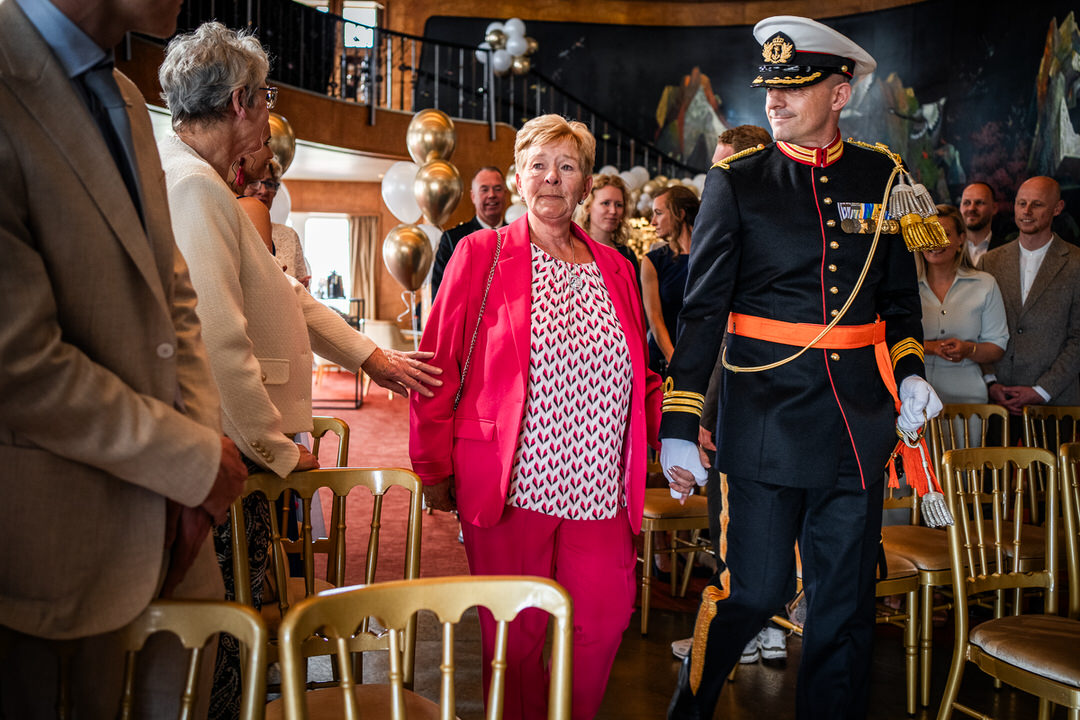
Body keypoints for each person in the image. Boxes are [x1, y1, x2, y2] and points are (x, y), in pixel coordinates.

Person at [156, 22, 441, 718]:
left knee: (248, 629)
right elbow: (219, 338)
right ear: (239, 102)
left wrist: (374, 358)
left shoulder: (209, 185)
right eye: (266, 98)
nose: (269, 117)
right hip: (232, 458)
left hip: (245, 456)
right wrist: (278, 452)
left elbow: (289, 298)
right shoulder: (194, 187)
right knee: (230, 641)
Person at [661, 17, 942, 720]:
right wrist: (679, 419)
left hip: (856, 427)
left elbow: (901, 304)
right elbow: (703, 311)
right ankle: (688, 709)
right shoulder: (737, 180)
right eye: (771, 88)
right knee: (751, 594)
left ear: (841, 93)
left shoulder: (886, 175)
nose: (775, 102)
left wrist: (909, 372)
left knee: (843, 606)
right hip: (764, 421)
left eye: (796, 88)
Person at [0, 0, 248, 716]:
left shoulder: (129, 97)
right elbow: (18, 363)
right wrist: (193, 462)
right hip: (46, 543)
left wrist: (198, 463)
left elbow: (173, 293)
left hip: (171, 529)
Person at [410, 114, 662, 720]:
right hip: (513, 484)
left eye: (567, 166)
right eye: (539, 166)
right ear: (520, 180)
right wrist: (431, 465)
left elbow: (641, 372)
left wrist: (674, 430)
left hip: (599, 486)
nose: (552, 178)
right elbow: (437, 364)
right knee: (515, 639)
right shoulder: (480, 253)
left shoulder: (617, 268)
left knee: (602, 624)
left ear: (582, 183)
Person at [980, 176, 1080, 439]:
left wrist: (1042, 390)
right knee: (991, 480)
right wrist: (990, 382)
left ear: (1057, 208)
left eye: (1036, 205)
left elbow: (1078, 338)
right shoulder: (990, 262)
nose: (1026, 211)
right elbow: (977, 329)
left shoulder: (1076, 263)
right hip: (996, 402)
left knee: (1054, 481)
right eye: (1021, 203)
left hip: (1055, 404)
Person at [918, 204, 1008, 406]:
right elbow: (890, 341)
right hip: (916, 401)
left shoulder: (985, 284)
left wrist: (968, 350)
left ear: (961, 239)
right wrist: (932, 347)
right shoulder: (904, 288)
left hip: (969, 400)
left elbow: (997, 346)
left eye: (944, 234)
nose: (934, 241)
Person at [642, 185, 700, 374]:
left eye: (658, 213)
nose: (653, 222)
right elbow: (655, 319)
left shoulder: (708, 258)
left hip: (702, 356)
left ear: (680, 213)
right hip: (663, 359)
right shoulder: (653, 261)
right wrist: (673, 358)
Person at [430, 165, 508, 298]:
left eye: (498, 189)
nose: (492, 195)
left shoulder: (518, 237)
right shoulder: (453, 239)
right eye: (484, 190)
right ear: (473, 196)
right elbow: (440, 295)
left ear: (505, 194)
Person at [245, 157, 312, 287]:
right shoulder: (230, 227)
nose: (263, 191)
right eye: (255, 182)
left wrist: (298, 291)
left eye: (269, 184)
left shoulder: (289, 235)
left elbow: (304, 293)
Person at [575, 173, 640, 280]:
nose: (613, 211)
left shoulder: (627, 255)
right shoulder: (572, 251)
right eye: (606, 203)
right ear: (587, 207)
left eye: (619, 205)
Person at [960, 181, 1004, 266]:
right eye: (967, 203)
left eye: (979, 203)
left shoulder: (1007, 250)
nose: (971, 208)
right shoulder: (947, 249)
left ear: (994, 208)